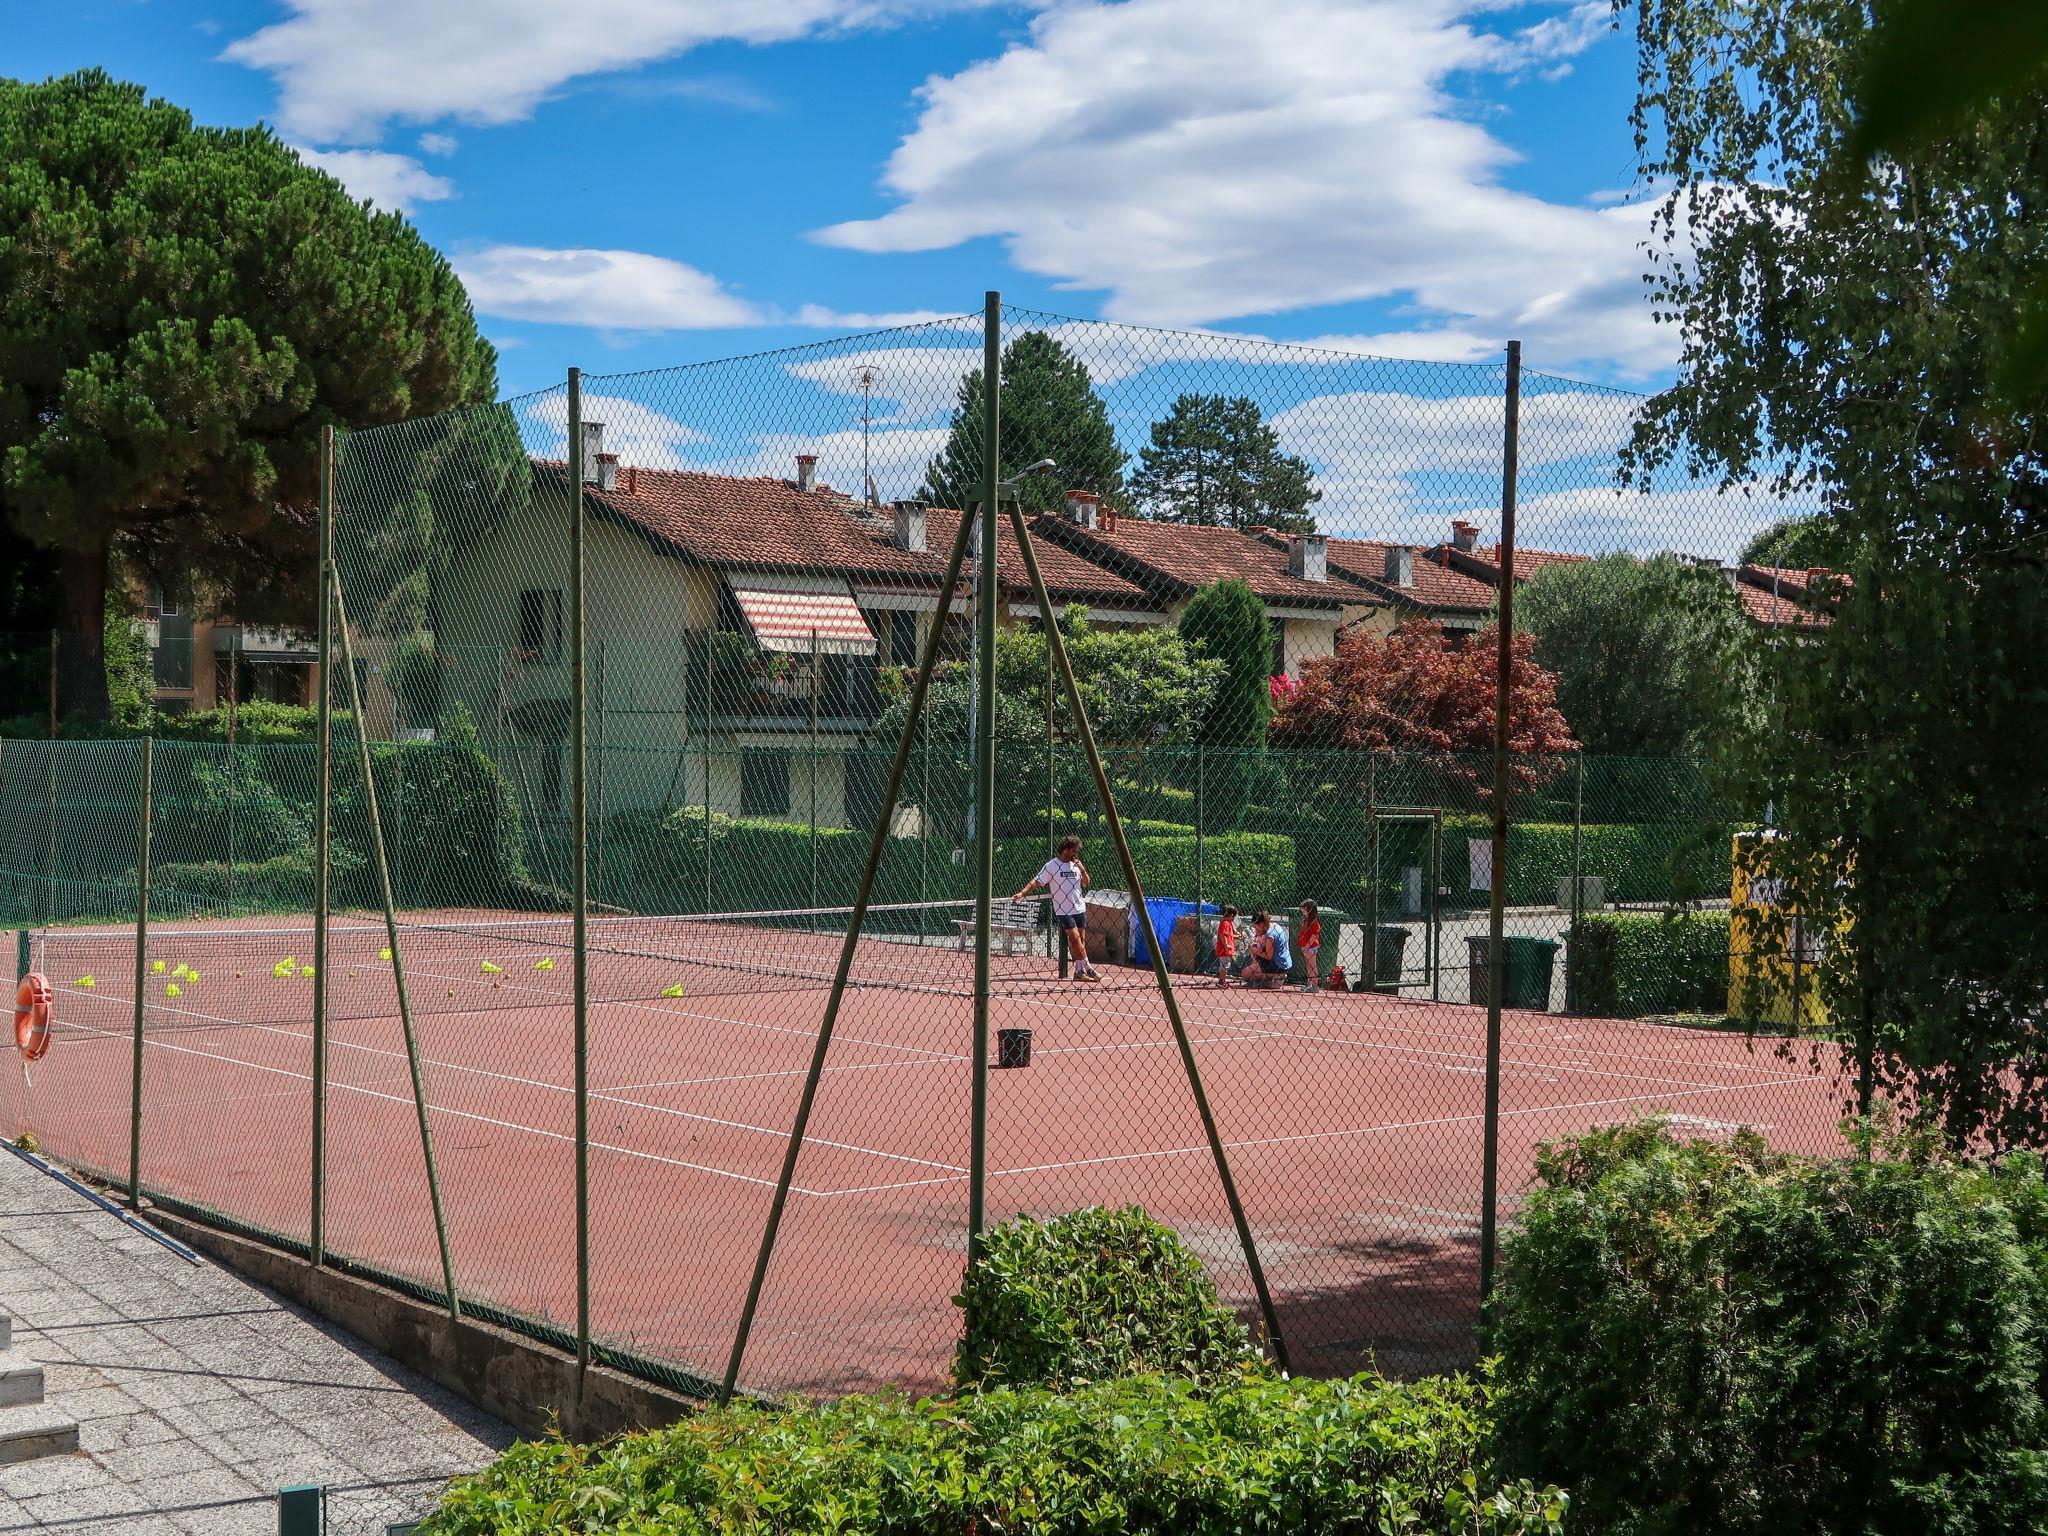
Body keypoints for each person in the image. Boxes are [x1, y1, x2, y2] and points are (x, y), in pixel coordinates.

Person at [1016, 835, 1099, 983]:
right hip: (1063, 910)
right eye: (1074, 850)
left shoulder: (1076, 865)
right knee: (1074, 937)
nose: (1076, 853)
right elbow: (1036, 881)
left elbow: (1086, 883)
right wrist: (1022, 893)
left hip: (1079, 907)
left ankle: (1079, 971)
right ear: (1066, 850)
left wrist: (1082, 870)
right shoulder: (1052, 865)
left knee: (1080, 940)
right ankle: (1088, 968)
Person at [1240, 910, 1293, 989]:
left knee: (1245, 973)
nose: (1255, 929)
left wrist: (1256, 951)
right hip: (1283, 961)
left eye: (1255, 927)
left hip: (1278, 964)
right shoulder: (1275, 925)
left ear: (1261, 924)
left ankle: (1277, 977)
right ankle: (1270, 977)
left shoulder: (1270, 935)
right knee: (1256, 954)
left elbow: (1269, 956)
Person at [1297, 901, 1322, 993]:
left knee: (1312, 966)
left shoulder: (1314, 921)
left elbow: (1313, 936)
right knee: (1308, 966)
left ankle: (1315, 986)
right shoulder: (1307, 920)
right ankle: (1309, 984)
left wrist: (1307, 946)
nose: (1302, 910)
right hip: (1306, 946)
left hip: (1311, 947)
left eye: (1304, 908)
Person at [1211, 906, 1238, 987]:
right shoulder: (1226, 923)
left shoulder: (1226, 923)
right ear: (1231, 916)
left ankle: (1222, 980)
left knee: (1225, 964)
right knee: (1225, 965)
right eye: (1234, 917)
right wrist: (1226, 944)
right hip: (1224, 949)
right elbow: (1223, 935)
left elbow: (1229, 936)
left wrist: (1237, 937)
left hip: (1226, 949)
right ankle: (1221, 981)